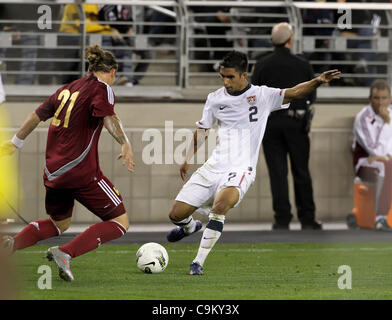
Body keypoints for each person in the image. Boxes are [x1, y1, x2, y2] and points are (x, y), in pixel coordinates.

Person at [166, 50, 340, 275]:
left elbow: (295, 92)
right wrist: (188, 159)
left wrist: (317, 81)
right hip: (214, 166)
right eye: (222, 76)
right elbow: (203, 129)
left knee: (220, 206)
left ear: (243, 75)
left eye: (230, 77)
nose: (225, 82)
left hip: (241, 168)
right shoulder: (215, 98)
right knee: (175, 214)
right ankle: (190, 227)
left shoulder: (262, 95)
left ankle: (197, 262)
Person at [0, 44, 135, 281]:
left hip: (53, 173)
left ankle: (11, 245)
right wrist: (125, 142)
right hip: (81, 171)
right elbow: (109, 117)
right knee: (120, 221)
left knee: (58, 223)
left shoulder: (67, 89)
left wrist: (15, 143)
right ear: (112, 72)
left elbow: (37, 115)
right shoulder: (102, 88)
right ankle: (65, 253)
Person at [251, 22, 322, 231]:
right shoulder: (302, 64)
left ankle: (282, 218)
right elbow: (311, 94)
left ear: (273, 41)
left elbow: (255, 97)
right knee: (301, 170)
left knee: (277, 173)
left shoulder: (261, 65)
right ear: (290, 40)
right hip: (296, 123)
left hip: (270, 125)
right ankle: (307, 218)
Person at [352, 79, 392, 231]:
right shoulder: (363, 118)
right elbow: (375, 150)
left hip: (385, 160)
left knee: (386, 164)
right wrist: (387, 122)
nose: (381, 102)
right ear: (370, 99)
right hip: (364, 163)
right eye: (376, 98)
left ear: (390, 99)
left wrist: (387, 156)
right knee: (384, 166)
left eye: (384, 98)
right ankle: (381, 217)